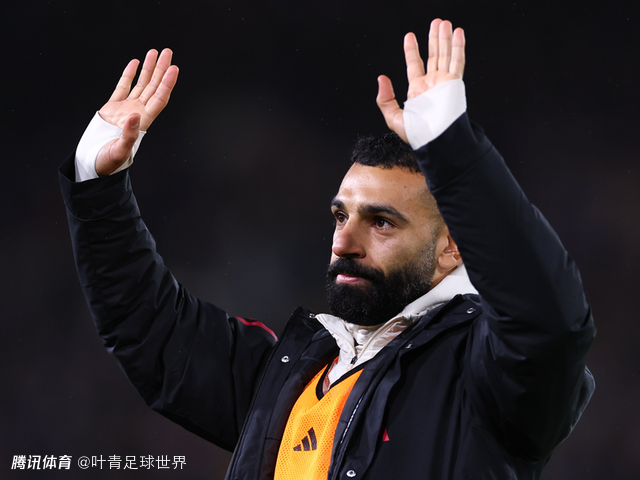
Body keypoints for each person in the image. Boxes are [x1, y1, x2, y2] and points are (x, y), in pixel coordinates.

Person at [60, 19, 595, 479]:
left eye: (381, 223)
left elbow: (550, 323)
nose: (343, 242)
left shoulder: (488, 373)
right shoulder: (294, 371)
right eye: (341, 216)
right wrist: (96, 185)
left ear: (451, 247)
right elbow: (150, 330)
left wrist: (455, 154)